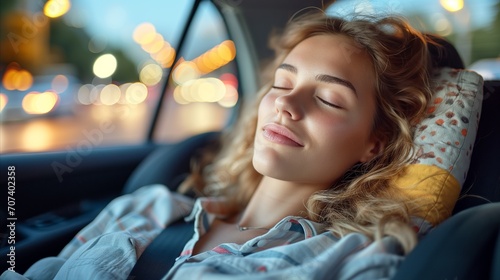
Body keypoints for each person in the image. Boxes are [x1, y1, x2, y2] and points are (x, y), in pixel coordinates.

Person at [1, 11, 435, 280]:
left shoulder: (353, 259)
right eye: (282, 83)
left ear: (374, 145)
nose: (285, 103)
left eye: (327, 98)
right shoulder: (147, 208)